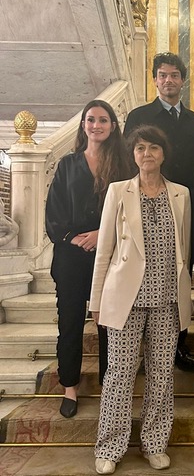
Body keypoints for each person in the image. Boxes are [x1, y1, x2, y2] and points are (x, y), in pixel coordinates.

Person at [90, 125, 192, 475]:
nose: (147, 154)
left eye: (153, 148)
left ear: (164, 153)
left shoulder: (181, 194)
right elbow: (104, 250)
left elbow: (185, 250)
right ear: (132, 154)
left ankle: (154, 443)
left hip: (167, 300)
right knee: (119, 373)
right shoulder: (118, 192)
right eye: (140, 148)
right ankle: (110, 446)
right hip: (125, 299)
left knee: (162, 373)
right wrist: (95, 300)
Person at [45, 100, 132, 418]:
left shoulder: (124, 165)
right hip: (70, 256)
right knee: (69, 323)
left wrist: (100, 235)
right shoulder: (67, 164)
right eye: (91, 119)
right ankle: (70, 387)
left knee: (108, 324)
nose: (97, 125)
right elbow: (53, 211)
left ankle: (111, 385)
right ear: (83, 125)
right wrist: (72, 238)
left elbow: (128, 212)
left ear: (112, 127)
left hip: (109, 255)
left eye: (103, 120)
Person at [124, 51, 194, 372]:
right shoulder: (139, 116)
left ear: (182, 81)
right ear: (155, 80)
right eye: (162, 75)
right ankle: (143, 344)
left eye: (174, 75)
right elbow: (125, 160)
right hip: (143, 204)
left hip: (182, 206)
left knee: (178, 277)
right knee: (142, 275)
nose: (168, 80)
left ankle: (178, 345)